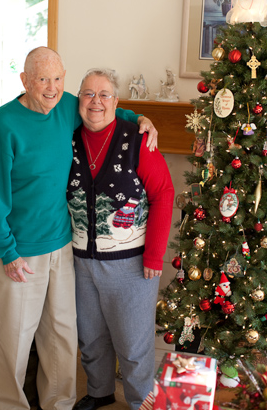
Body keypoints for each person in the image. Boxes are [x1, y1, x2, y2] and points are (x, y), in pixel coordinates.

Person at [0, 47, 158, 410]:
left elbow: (101, 108)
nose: (52, 87)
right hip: (17, 251)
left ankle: (58, 404)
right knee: (15, 340)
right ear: (25, 80)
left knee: (61, 335)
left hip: (60, 245)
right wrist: (6, 253)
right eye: (42, 79)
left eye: (58, 78)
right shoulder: (3, 125)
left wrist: (139, 118)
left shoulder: (64, 108)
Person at [66, 68, 174, 410]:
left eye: (104, 95)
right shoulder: (67, 139)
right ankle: (99, 392)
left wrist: (155, 256)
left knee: (133, 343)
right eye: (87, 94)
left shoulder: (137, 139)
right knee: (92, 337)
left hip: (131, 266)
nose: (95, 102)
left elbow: (164, 194)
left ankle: (141, 401)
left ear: (116, 101)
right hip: (81, 262)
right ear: (78, 100)